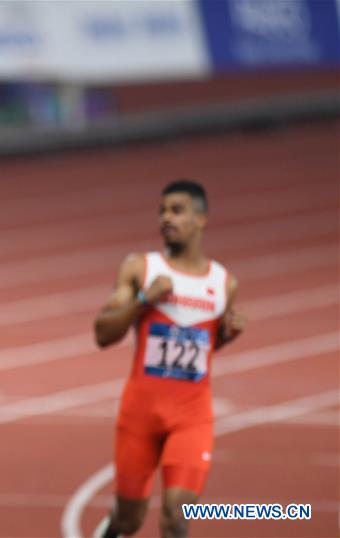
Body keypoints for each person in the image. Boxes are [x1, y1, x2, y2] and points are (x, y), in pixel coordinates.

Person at [93, 180, 245, 537]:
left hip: (191, 416)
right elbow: (102, 333)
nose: (166, 218)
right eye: (162, 211)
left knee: (177, 517)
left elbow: (203, 351)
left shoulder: (224, 283)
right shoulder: (141, 269)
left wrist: (226, 336)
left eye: (176, 210)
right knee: (128, 521)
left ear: (201, 219)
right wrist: (145, 298)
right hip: (140, 415)